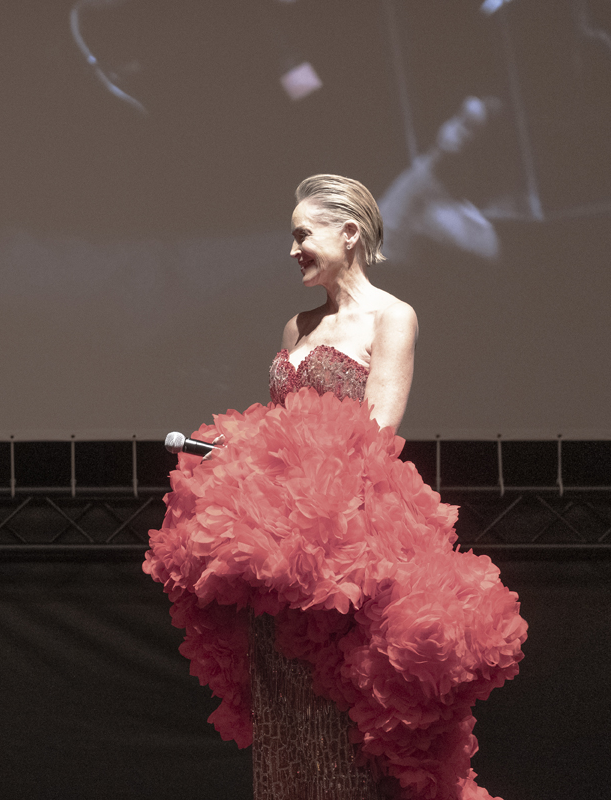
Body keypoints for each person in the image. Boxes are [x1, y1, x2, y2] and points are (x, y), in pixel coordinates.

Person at [144, 175, 526, 800]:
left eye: (303, 234)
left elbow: (379, 429)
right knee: (288, 715)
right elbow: (279, 429)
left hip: (351, 538)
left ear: (348, 233)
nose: (293, 249)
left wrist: (301, 478)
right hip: (283, 553)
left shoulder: (392, 316)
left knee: (348, 723)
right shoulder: (296, 326)